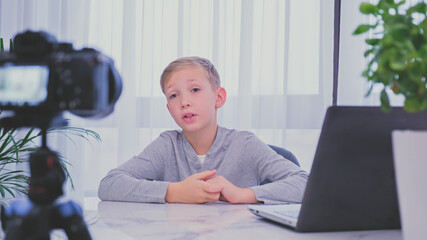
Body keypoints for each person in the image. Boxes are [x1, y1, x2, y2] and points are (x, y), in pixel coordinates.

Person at [98, 56, 308, 204]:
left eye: (195, 90)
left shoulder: (245, 144)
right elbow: (109, 184)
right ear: (169, 109)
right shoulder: (166, 145)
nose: (184, 102)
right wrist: (174, 191)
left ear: (219, 97)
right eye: (174, 95)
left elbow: (305, 184)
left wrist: (244, 194)